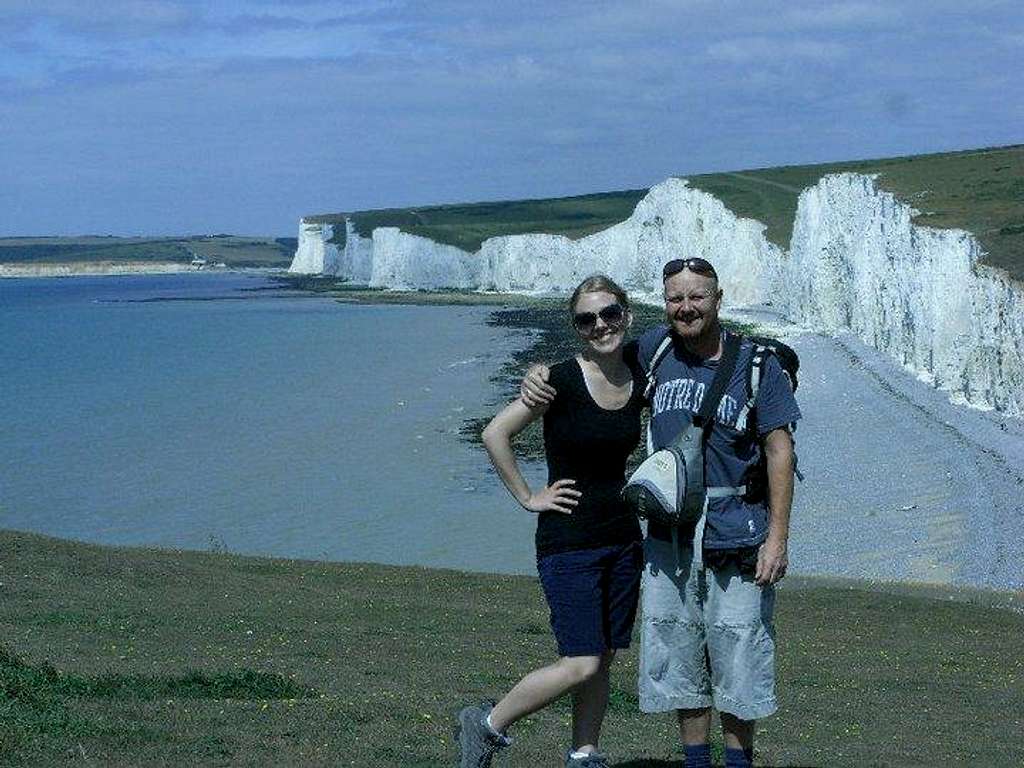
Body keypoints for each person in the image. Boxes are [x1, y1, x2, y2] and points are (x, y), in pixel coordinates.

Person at [521, 257, 800, 768]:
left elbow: (780, 451)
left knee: (738, 659)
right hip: (669, 538)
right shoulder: (655, 350)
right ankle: (696, 763)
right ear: (664, 303)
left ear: (718, 300)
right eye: (675, 298)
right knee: (682, 656)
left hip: (737, 536)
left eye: (697, 297)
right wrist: (538, 374)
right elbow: (596, 352)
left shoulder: (758, 365)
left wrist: (777, 538)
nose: (686, 307)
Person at [456, 275, 647, 768]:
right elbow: (495, 434)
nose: (600, 325)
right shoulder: (557, 380)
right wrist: (527, 496)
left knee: (602, 658)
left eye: (609, 313)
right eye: (587, 319)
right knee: (580, 661)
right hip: (569, 541)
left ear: (626, 314)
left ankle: (584, 753)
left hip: (624, 538)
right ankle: (486, 723)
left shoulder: (641, 371)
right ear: (576, 328)